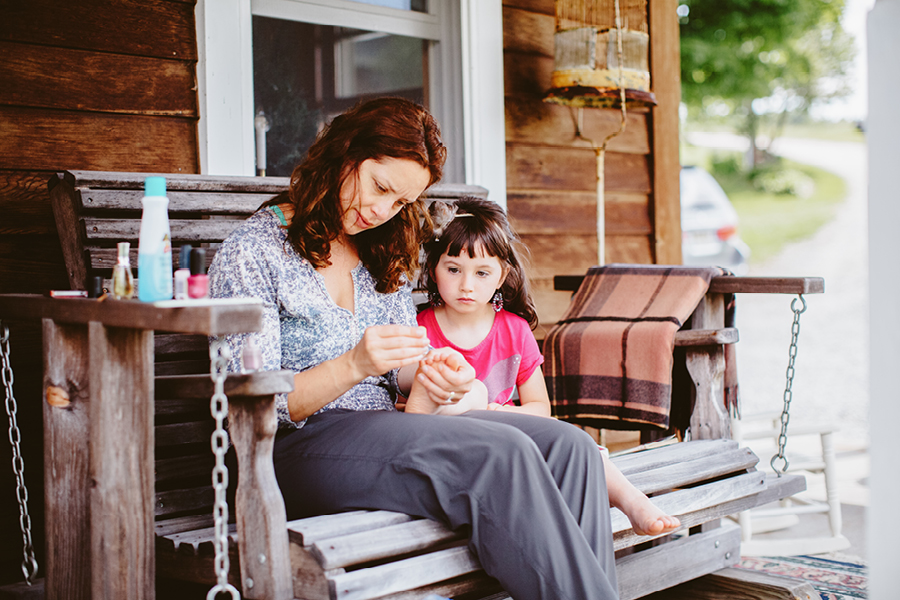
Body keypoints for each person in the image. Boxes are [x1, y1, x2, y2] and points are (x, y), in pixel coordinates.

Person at [209, 97, 619, 600]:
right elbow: (252, 407)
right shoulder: (254, 251)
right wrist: (353, 364)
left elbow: (399, 367)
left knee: (570, 448)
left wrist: (433, 370)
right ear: (343, 153)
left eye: (401, 203)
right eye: (380, 187)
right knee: (501, 455)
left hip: (383, 434)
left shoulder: (378, 249)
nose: (382, 211)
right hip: (288, 452)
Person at [414, 196, 681, 538]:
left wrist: (506, 413)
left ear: (502, 276)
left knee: (577, 444)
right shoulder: (418, 329)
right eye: (453, 269)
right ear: (433, 269)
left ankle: (634, 502)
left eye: (482, 272)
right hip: (452, 442)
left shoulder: (514, 330)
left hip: (510, 431)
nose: (467, 284)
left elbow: (540, 407)